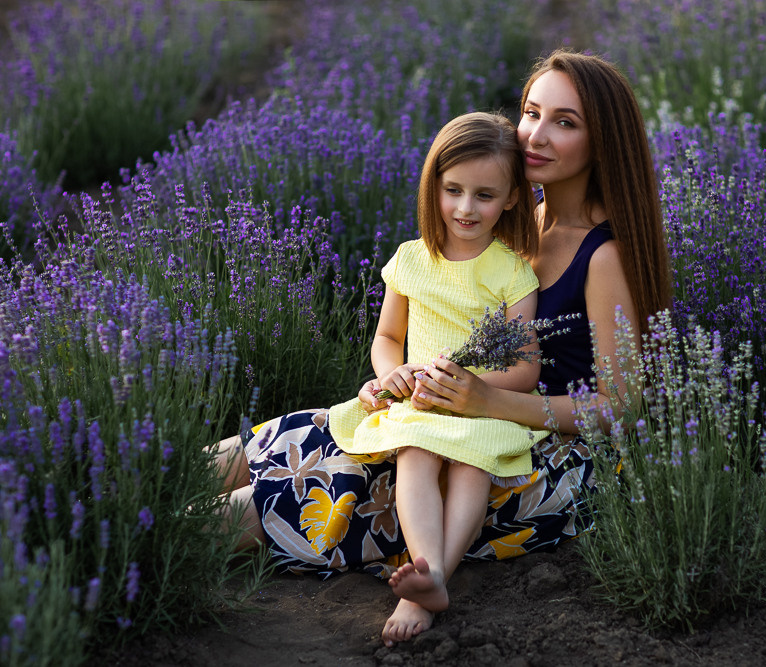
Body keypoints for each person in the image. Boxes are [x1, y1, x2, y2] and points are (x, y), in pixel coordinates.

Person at [212, 49, 672, 648]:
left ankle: (106, 540)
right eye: (532, 112)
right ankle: (92, 490)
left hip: (532, 456)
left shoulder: (603, 253)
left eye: (566, 121)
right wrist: (400, 378)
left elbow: (621, 405)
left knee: (282, 497)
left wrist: (486, 402)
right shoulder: (516, 215)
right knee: (279, 442)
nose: (535, 134)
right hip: (448, 410)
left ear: (603, 139)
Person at [326, 110, 550, 616]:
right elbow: (387, 337)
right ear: (434, 187)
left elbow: (526, 369)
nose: (466, 208)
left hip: (480, 406)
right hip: (421, 403)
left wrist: (474, 389)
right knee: (416, 455)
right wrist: (392, 373)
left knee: (473, 465)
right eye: (453, 191)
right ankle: (430, 570)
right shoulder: (411, 259)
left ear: (512, 199)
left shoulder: (512, 273)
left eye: (484, 195)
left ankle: (430, 583)